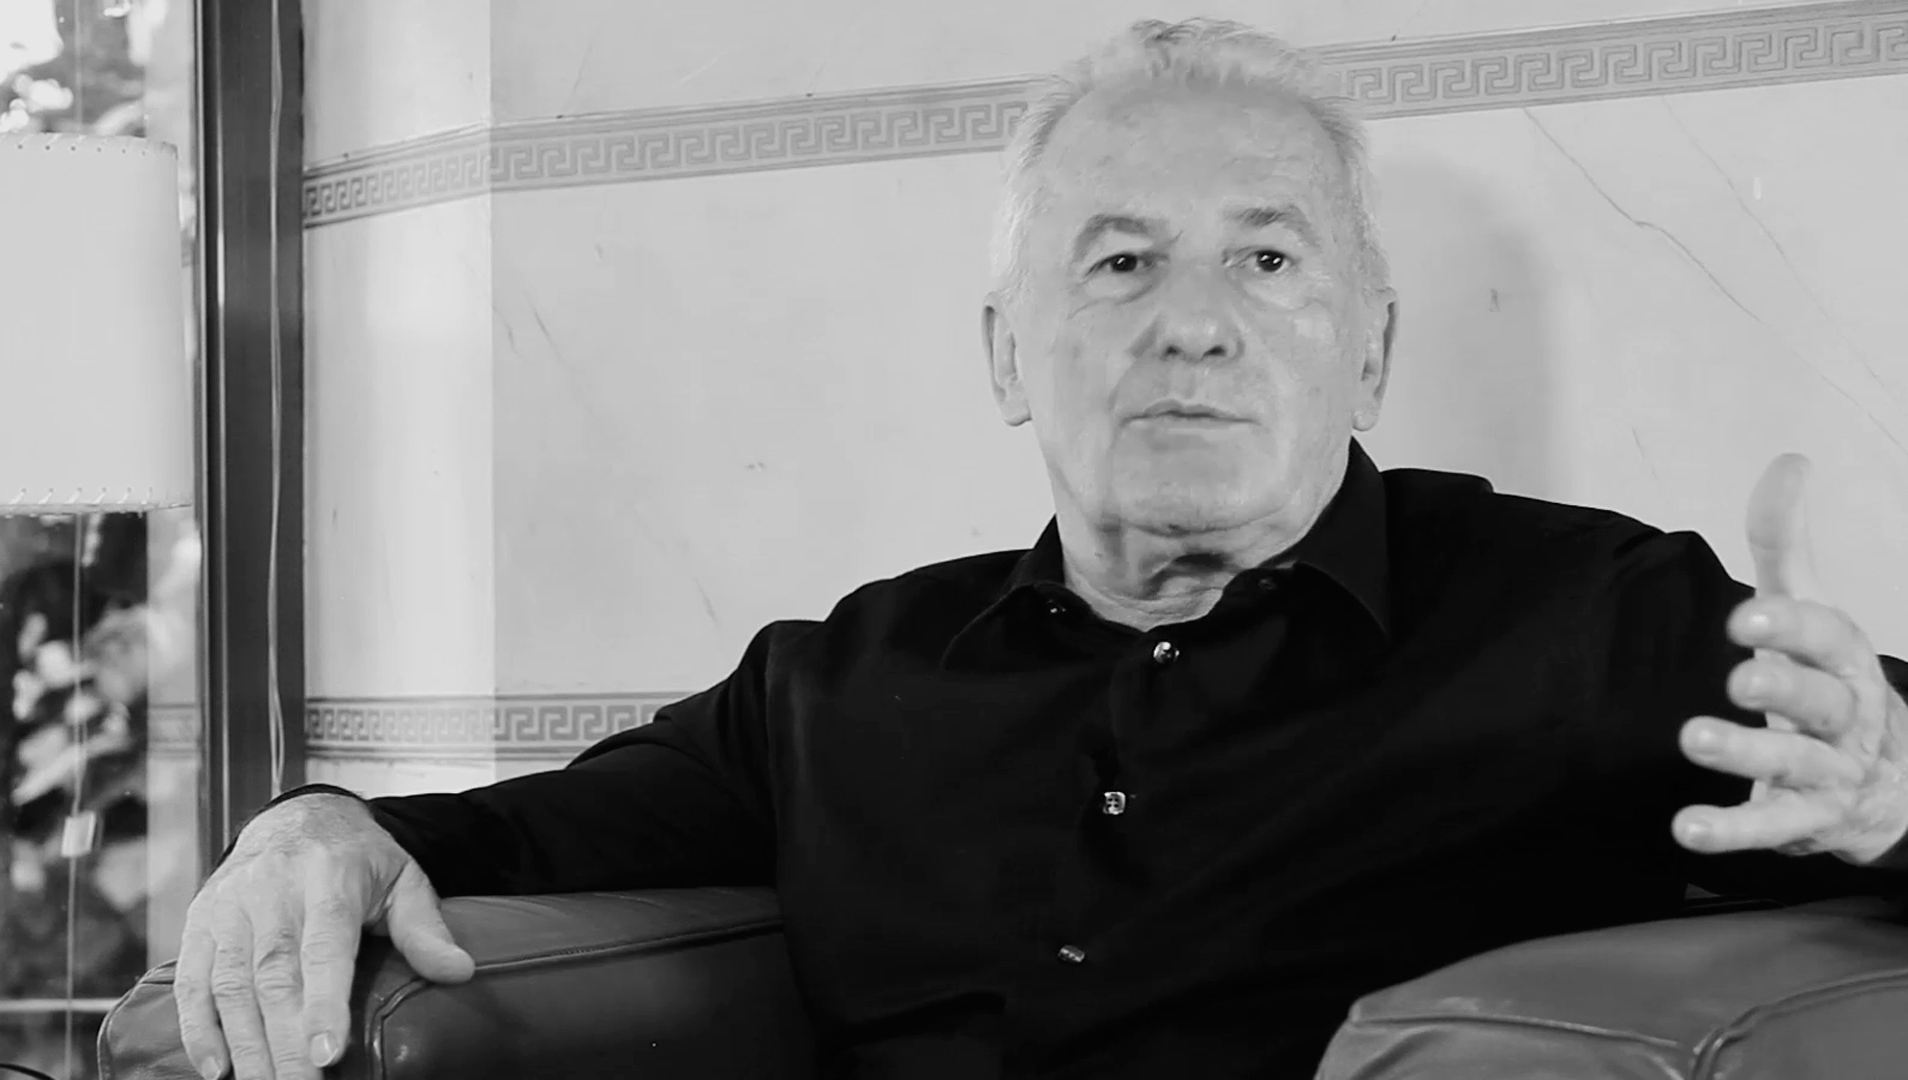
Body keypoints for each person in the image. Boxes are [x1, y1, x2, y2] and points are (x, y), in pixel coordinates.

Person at [172, 19, 1908, 1080]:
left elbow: (1859, 772)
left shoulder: (1584, 615)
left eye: (1270, 261)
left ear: (1371, 352)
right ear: (1009, 355)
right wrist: (313, 826)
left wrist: (1894, 794)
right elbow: (517, 836)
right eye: (1121, 262)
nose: (1196, 324)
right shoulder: (842, 680)